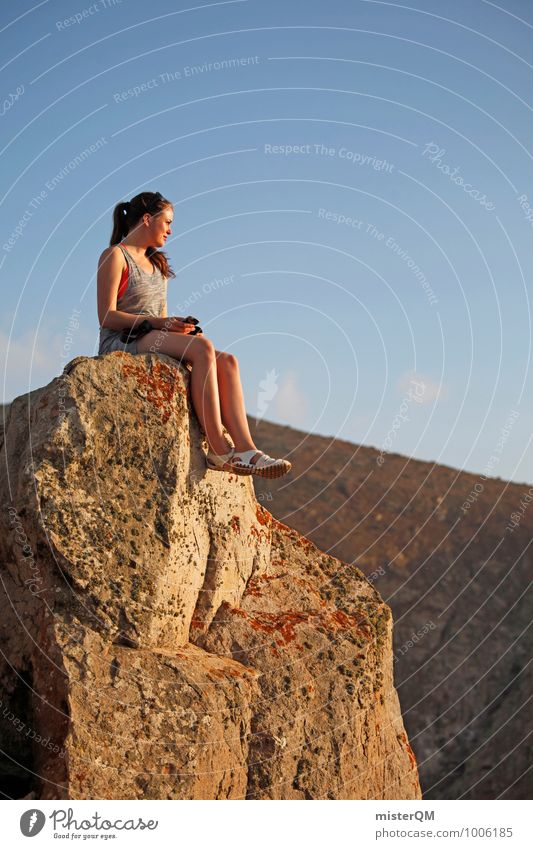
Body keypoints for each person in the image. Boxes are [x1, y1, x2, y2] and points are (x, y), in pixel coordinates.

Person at [96, 190, 291, 478]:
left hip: (151, 336)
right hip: (122, 342)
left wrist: (181, 329)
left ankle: (247, 448)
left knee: (227, 361)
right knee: (203, 350)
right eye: (168, 222)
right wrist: (160, 324)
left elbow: (161, 316)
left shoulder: (157, 265)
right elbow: (106, 316)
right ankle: (218, 449)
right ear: (147, 219)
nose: (171, 230)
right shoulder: (116, 256)